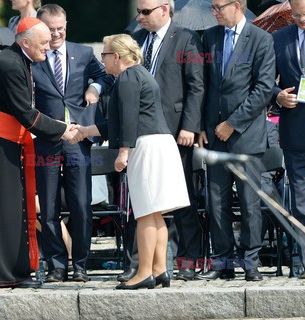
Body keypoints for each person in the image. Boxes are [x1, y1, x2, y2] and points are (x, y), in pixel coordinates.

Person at [0, 17, 78, 288]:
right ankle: (2, 273)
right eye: (43, 43)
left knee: (11, 209)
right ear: (25, 42)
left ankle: (10, 271)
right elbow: (25, 113)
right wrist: (62, 129)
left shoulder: (18, 59)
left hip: (4, 142)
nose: (49, 47)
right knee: (2, 210)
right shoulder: (11, 64)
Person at [73, 33, 189, 289]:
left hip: (144, 146)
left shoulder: (126, 77)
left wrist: (123, 152)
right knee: (156, 213)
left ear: (116, 56)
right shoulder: (140, 74)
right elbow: (117, 121)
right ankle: (160, 270)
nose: (102, 61)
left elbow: (128, 121)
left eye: (104, 55)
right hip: (159, 143)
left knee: (146, 213)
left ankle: (143, 273)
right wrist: (85, 130)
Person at [120, 0, 204, 282]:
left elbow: (196, 84)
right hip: (144, 134)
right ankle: (142, 265)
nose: (139, 17)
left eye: (145, 12)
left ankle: (187, 261)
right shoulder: (137, 40)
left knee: (181, 201)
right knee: (145, 202)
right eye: (138, 11)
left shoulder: (185, 38)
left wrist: (190, 126)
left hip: (175, 130)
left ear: (165, 9)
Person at [32, 4, 114, 283]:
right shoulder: (34, 56)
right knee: (50, 205)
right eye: (50, 29)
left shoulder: (84, 53)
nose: (56, 35)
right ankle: (56, 265)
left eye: (60, 29)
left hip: (79, 139)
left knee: (81, 204)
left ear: (67, 25)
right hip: (46, 140)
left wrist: (95, 88)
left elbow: (106, 76)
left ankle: (80, 264)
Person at [196, 0, 276, 281]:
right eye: (212, 7)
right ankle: (223, 262)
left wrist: (233, 123)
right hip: (214, 135)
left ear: (237, 6)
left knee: (248, 202)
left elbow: (264, 87)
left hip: (245, 136)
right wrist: (203, 126)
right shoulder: (210, 37)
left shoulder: (261, 39)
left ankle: (250, 262)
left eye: (218, 6)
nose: (214, 12)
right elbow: (204, 84)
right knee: (215, 202)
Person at [272, 0, 305, 272]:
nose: (301, 19)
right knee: (300, 199)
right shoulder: (279, 38)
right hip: (294, 130)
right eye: (296, 15)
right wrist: (278, 96)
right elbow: (264, 80)